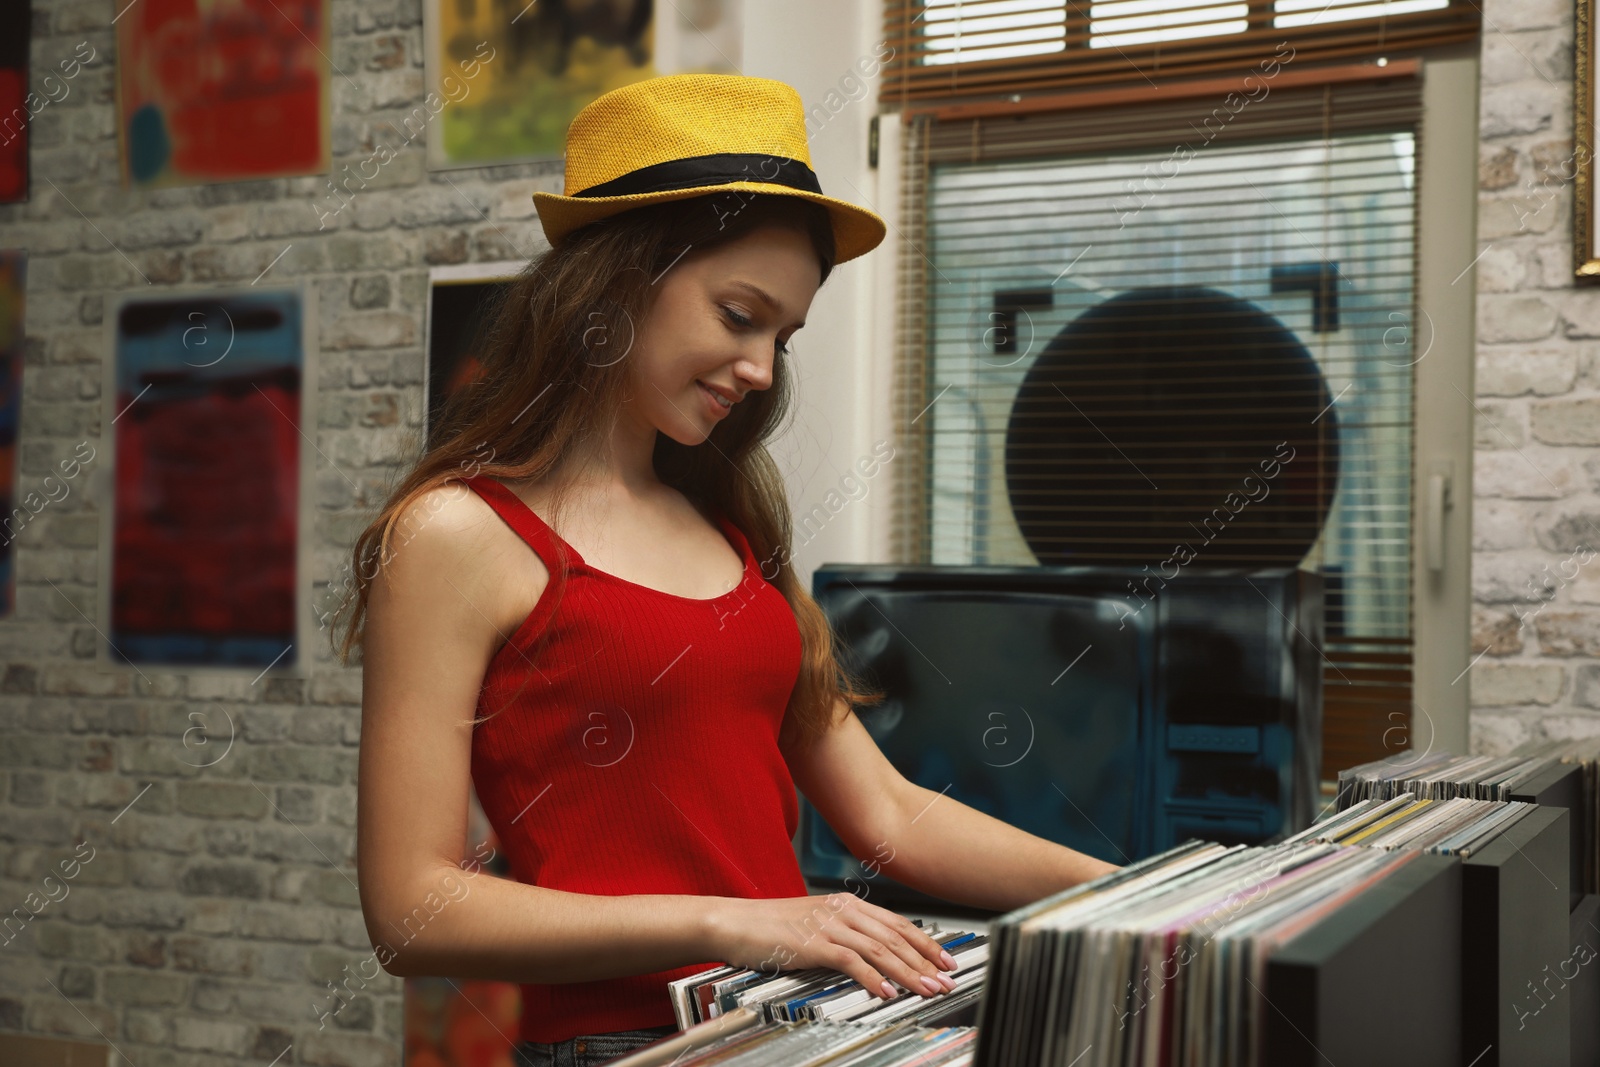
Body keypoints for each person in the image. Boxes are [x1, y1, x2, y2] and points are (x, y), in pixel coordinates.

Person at [342, 72, 1120, 1067]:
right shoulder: (457, 532)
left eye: (781, 336)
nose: (760, 367)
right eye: (739, 314)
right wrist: (740, 922)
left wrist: (1128, 893)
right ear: (619, 282)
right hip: (630, 1043)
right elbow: (411, 910)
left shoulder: (732, 528)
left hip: (792, 1026)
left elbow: (885, 812)